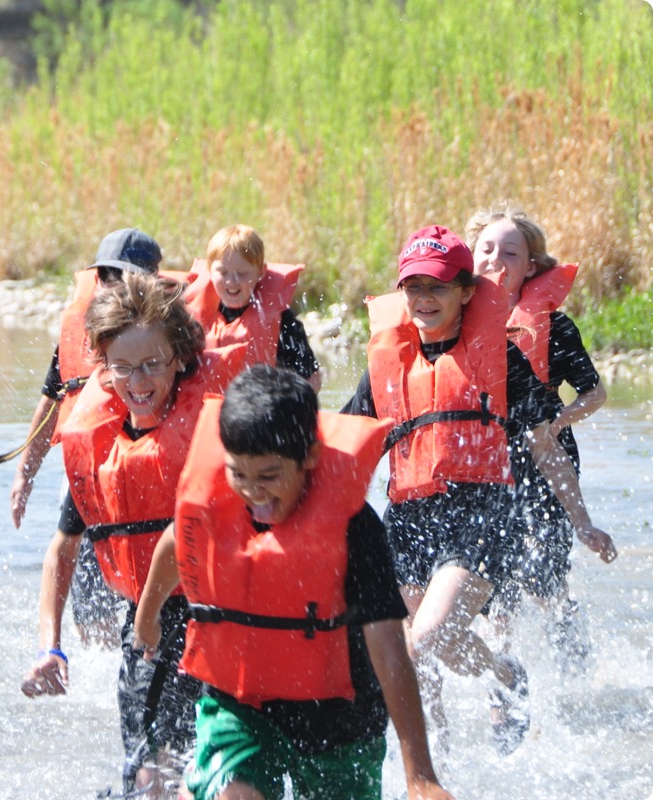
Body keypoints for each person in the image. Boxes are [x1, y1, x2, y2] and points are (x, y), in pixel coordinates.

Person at [340, 225, 615, 757]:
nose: (423, 298)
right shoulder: (386, 364)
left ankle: (504, 672)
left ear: (467, 291)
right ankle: (435, 767)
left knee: (430, 636)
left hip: (481, 517)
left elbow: (545, 447)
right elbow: (348, 449)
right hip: (407, 518)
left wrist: (581, 523)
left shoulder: (501, 359)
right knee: (410, 659)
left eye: (437, 287)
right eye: (413, 287)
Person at [133, 365, 452, 800]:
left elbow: (389, 648)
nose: (252, 492)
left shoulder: (354, 531)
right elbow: (174, 543)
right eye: (238, 474)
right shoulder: (216, 505)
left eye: (269, 476)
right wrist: (146, 618)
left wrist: (421, 776)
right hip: (242, 704)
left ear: (311, 458)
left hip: (342, 719)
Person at [19, 271, 248, 798]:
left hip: (223, 619)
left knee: (185, 776)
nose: (139, 381)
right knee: (145, 777)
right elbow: (62, 548)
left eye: (152, 364)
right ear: (102, 367)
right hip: (145, 633)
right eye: (122, 367)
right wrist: (51, 649)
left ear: (181, 359)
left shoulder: (219, 427)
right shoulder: (100, 445)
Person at [465, 205, 610, 671]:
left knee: (542, 575)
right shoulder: (451, 321)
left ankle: (570, 652)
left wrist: (557, 422)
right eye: (486, 249)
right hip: (486, 461)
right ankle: (504, 679)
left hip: (546, 456)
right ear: (470, 256)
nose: (496, 259)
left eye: (510, 252)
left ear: (531, 266)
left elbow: (595, 393)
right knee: (495, 583)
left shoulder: (555, 326)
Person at [8, 228, 164, 646]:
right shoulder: (82, 329)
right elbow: (52, 400)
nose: (115, 285)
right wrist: (25, 472)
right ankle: (92, 659)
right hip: (90, 471)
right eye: (108, 276)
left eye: (126, 276)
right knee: (90, 604)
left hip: (151, 466)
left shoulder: (169, 334)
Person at [182, 224, 321, 391]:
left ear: (260, 272)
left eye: (242, 273)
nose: (232, 281)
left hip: (259, 408)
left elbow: (311, 377)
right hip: (207, 408)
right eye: (223, 272)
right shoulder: (189, 315)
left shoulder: (281, 318)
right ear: (209, 270)